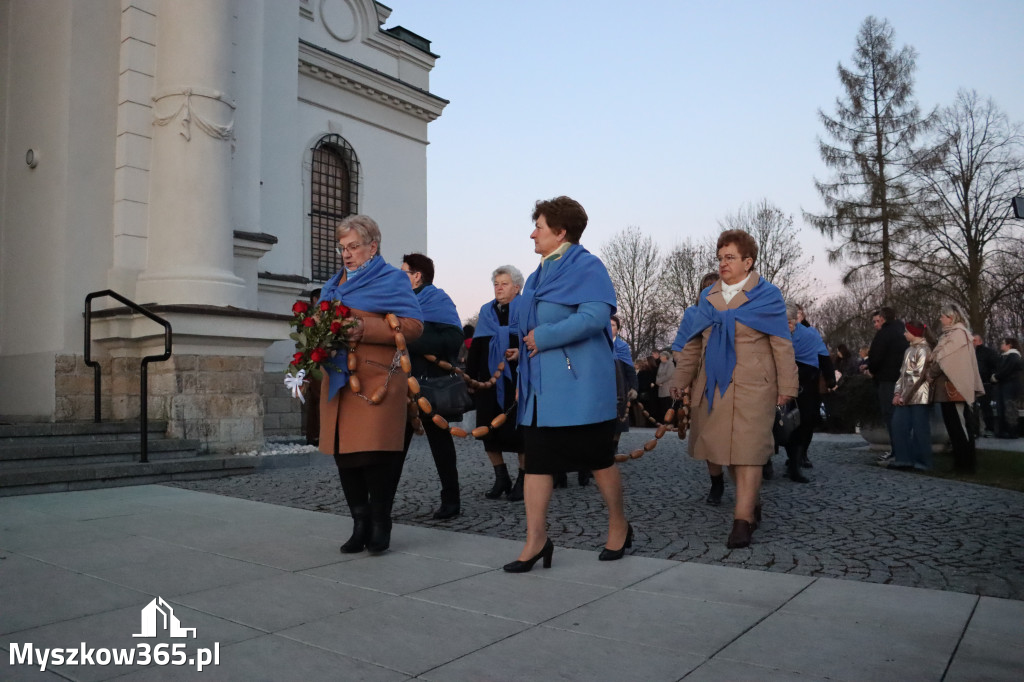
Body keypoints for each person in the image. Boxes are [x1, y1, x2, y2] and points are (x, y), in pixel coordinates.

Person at [503, 195, 629, 572]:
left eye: (538, 227)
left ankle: (619, 524)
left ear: (560, 232)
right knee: (538, 465)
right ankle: (536, 540)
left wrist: (544, 337)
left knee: (599, 460)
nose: (532, 234)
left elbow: (595, 317)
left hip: (580, 389)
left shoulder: (588, 266)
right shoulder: (540, 273)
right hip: (541, 391)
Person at [669, 229, 798, 549]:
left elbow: (782, 344)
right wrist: (680, 379)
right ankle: (751, 500)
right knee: (724, 452)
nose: (723, 263)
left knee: (748, 453)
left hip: (755, 386)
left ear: (748, 262)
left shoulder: (767, 295)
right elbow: (693, 343)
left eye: (730, 258)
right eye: (720, 257)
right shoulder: (708, 296)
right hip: (715, 385)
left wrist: (788, 386)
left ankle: (742, 521)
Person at [318, 215, 423, 555]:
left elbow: (413, 327)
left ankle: (381, 523)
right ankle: (359, 523)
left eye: (353, 247)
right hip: (339, 382)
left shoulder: (393, 280)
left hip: (377, 381)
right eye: (342, 248)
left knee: (375, 457)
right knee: (345, 457)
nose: (346, 255)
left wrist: (366, 329)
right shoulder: (332, 285)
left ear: (373, 246)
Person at [400, 253, 466, 520]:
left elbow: (452, 340)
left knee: (440, 445)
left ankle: (451, 499)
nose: (398, 276)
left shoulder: (438, 301)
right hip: (401, 387)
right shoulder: (399, 303)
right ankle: (381, 503)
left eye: (403, 272)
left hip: (430, 385)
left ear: (417, 276)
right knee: (396, 445)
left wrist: (411, 338)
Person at [467, 265, 526, 501]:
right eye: (496, 284)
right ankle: (501, 477)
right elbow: (477, 346)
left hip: (519, 380)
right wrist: (471, 378)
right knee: (488, 430)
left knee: (520, 433)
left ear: (517, 287)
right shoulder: (486, 311)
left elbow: (535, 341)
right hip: (489, 382)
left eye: (504, 284)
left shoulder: (527, 310)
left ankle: (523, 479)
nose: (499, 288)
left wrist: (520, 352)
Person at [925, 304, 985, 473]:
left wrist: (931, 372)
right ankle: (961, 461)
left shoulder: (958, 334)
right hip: (948, 388)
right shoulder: (951, 334)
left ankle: (965, 463)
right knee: (954, 426)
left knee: (959, 425)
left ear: (951, 317)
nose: (940, 319)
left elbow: (944, 358)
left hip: (955, 387)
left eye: (943, 316)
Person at [783, 301, 836, 482]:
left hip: (804, 383)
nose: (787, 325)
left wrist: (830, 378)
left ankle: (796, 462)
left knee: (802, 423)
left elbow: (822, 356)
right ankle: (765, 462)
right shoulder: (772, 334)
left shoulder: (809, 335)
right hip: (778, 382)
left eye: (790, 321)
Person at [889, 320, 935, 471]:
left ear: (914, 333)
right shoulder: (909, 350)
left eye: (906, 331)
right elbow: (902, 374)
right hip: (905, 395)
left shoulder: (923, 349)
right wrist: (897, 392)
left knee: (920, 429)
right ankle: (904, 459)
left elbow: (918, 375)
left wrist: (904, 396)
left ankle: (922, 462)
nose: (904, 334)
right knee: (898, 425)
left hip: (919, 395)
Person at [867, 307, 909, 464]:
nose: (876, 325)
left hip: (887, 379)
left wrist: (871, 369)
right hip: (902, 379)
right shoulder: (902, 331)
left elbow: (876, 357)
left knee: (890, 415)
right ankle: (902, 450)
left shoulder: (884, 334)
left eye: (877, 321)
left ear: (883, 319)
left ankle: (896, 451)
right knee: (900, 416)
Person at [610, 315, 639, 445]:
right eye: (608, 325)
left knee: (618, 421)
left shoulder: (622, 347)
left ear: (618, 329)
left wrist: (634, 388)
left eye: (613, 325)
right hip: (601, 388)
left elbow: (630, 370)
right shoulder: (597, 346)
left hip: (620, 389)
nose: (610, 328)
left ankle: (614, 446)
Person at [993, 337, 1022, 439]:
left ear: (1009, 345)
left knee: (1009, 408)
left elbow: (1007, 370)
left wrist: (996, 376)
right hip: (1003, 386)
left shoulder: (1014, 356)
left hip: (1011, 386)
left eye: (1003, 343)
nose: (1001, 345)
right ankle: (1002, 431)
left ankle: (1012, 432)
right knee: (1001, 408)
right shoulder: (1004, 357)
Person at [972, 334, 999, 437]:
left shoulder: (988, 352)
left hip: (985, 383)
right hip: (972, 383)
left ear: (980, 341)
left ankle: (990, 429)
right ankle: (974, 430)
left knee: (986, 408)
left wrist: (991, 377)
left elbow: (995, 366)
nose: (972, 343)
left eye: (974, 340)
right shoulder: (969, 352)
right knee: (973, 408)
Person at [655, 350, 675, 423]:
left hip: (667, 386)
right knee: (662, 406)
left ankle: (670, 422)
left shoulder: (670, 364)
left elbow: (669, 375)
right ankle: (663, 422)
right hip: (661, 387)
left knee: (668, 405)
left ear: (665, 357)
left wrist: (659, 381)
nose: (660, 358)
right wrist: (657, 381)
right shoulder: (661, 364)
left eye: (661, 356)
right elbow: (658, 374)